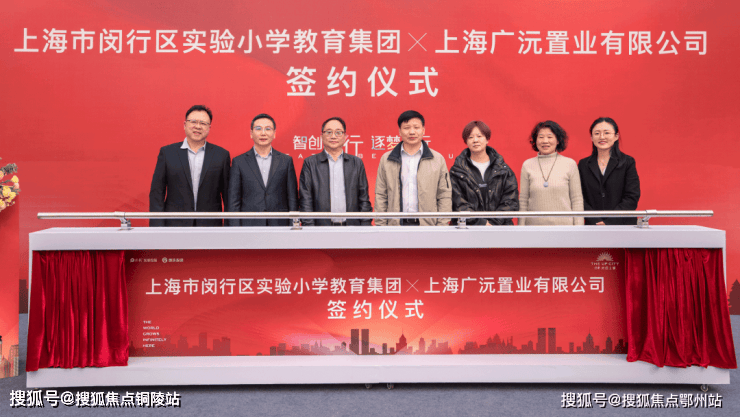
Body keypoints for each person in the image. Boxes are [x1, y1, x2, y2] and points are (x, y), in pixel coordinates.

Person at [149, 105, 230, 227]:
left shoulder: (221, 155)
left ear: (209, 128)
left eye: (203, 123)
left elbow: (228, 195)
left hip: (210, 225)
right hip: (174, 224)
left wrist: (229, 226)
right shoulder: (167, 153)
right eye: (193, 122)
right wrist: (157, 227)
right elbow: (157, 192)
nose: (198, 126)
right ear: (185, 124)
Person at [375, 110, 452, 226]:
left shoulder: (437, 159)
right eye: (406, 128)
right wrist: (381, 226)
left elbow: (444, 195)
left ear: (423, 130)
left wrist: (442, 225)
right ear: (400, 131)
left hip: (428, 226)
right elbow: (381, 195)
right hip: (396, 226)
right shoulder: (387, 159)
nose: (412, 132)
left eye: (416, 127)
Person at [299, 117, 372, 226]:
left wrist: (365, 226)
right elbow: (306, 200)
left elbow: (364, 198)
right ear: (321, 136)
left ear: (345, 137)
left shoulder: (356, 163)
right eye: (329, 132)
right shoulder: (310, 163)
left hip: (351, 227)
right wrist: (310, 228)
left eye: (338, 132)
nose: (333, 136)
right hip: (321, 228)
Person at [227, 113, 298, 226]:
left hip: (279, 224)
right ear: (251, 133)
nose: (263, 133)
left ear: (274, 134)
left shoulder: (286, 161)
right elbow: (233, 200)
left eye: (268, 129)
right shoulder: (239, 162)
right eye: (258, 129)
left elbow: (292, 198)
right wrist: (235, 228)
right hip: (249, 225)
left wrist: (293, 224)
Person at [451, 121, 519, 225]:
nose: (475, 140)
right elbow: (458, 203)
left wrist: (493, 223)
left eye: (479, 136)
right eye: (470, 137)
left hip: (500, 228)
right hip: (468, 229)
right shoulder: (457, 170)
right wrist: (482, 223)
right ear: (466, 141)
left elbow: (510, 201)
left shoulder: (503, 169)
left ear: (487, 139)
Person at [519, 120, 583, 225]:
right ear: (535, 140)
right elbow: (523, 200)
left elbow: (577, 199)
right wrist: (521, 227)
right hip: (533, 228)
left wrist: (579, 227)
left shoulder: (570, 164)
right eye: (541, 137)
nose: (545, 141)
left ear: (558, 140)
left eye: (550, 137)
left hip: (564, 227)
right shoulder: (527, 165)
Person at [578, 117, 640, 225]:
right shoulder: (583, 164)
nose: (602, 137)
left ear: (616, 136)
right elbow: (579, 197)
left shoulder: (627, 162)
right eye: (597, 133)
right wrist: (596, 220)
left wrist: (609, 221)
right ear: (591, 137)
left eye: (606, 133)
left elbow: (632, 197)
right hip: (593, 225)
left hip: (623, 225)